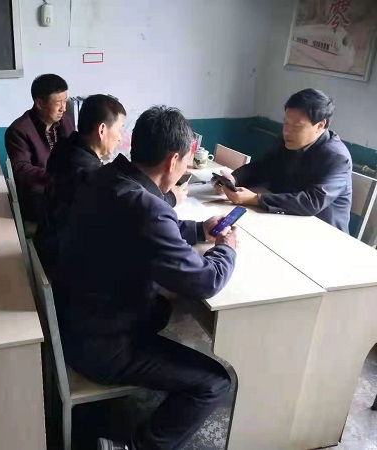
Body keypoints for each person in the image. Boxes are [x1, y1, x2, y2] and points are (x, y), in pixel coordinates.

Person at [54, 106, 237, 450]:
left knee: (171, 305)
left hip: (77, 319)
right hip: (103, 345)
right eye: (186, 162)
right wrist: (226, 249)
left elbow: (147, 228)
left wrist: (199, 229)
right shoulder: (146, 208)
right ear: (172, 160)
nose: (184, 170)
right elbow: (205, 281)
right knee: (214, 382)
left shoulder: (106, 177)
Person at [213, 88, 352, 232]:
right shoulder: (288, 141)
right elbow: (263, 167)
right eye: (286, 123)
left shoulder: (337, 157)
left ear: (320, 125)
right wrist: (234, 179)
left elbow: (312, 202)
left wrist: (255, 199)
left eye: (296, 126)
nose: (286, 131)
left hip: (323, 233)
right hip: (287, 220)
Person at [35, 94, 126, 275]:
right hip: (67, 265)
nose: (120, 137)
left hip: (49, 245)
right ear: (102, 130)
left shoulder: (65, 148)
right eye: (119, 129)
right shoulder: (89, 174)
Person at [5, 74, 74, 221]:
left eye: (65, 101)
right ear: (40, 104)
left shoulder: (65, 122)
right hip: (38, 198)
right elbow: (21, 169)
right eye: (58, 103)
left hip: (64, 191)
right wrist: (55, 178)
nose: (63, 108)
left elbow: (75, 152)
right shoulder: (19, 130)